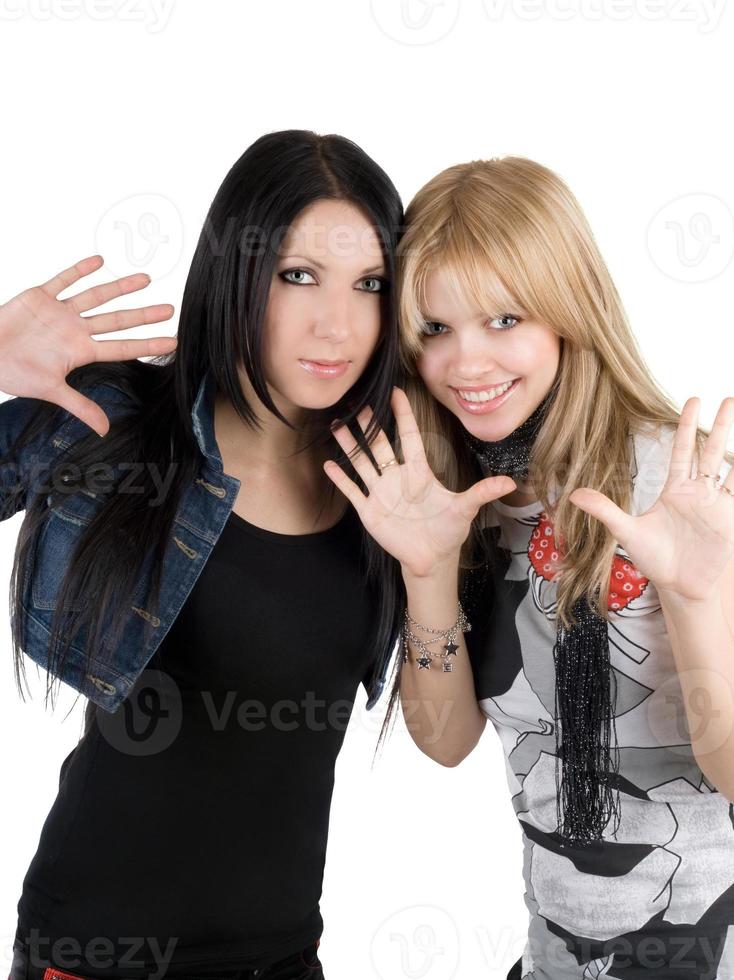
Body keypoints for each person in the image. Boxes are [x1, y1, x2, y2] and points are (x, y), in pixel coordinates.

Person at [1, 129, 406, 980]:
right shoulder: (119, 421)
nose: (338, 323)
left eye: (369, 284)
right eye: (299, 275)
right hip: (98, 955)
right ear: (238, 273)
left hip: (286, 956)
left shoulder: (391, 474)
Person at [324, 156, 734, 978]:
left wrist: (696, 597)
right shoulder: (460, 498)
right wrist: (430, 571)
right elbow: (445, 744)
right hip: (556, 960)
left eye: (504, 319)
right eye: (434, 330)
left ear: (566, 312)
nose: (466, 365)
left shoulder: (681, 486)